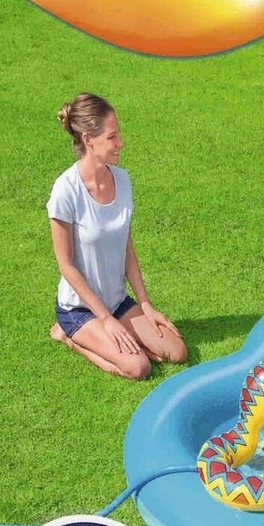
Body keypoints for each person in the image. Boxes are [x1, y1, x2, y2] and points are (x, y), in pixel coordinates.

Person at [47, 92, 187, 380]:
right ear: (88, 139)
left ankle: (117, 332)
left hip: (116, 301)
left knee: (176, 352)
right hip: (80, 308)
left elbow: (126, 247)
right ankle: (68, 336)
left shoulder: (122, 180)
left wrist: (145, 305)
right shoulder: (66, 190)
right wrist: (106, 320)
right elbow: (66, 266)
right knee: (139, 367)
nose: (120, 143)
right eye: (112, 137)